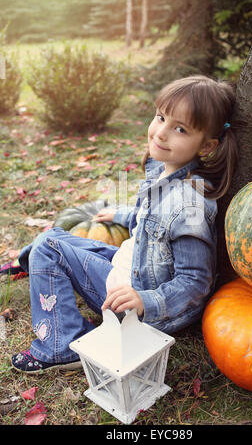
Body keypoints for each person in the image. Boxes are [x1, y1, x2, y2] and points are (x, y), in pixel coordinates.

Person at [10, 74, 238, 373]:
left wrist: (144, 301)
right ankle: (36, 265)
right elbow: (153, 226)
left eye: (179, 129)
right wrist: (121, 215)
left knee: (47, 248)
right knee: (53, 237)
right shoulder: (165, 171)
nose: (161, 133)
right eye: (161, 118)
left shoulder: (190, 202)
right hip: (134, 268)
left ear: (206, 146)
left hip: (142, 306)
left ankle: (60, 347)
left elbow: (195, 281)